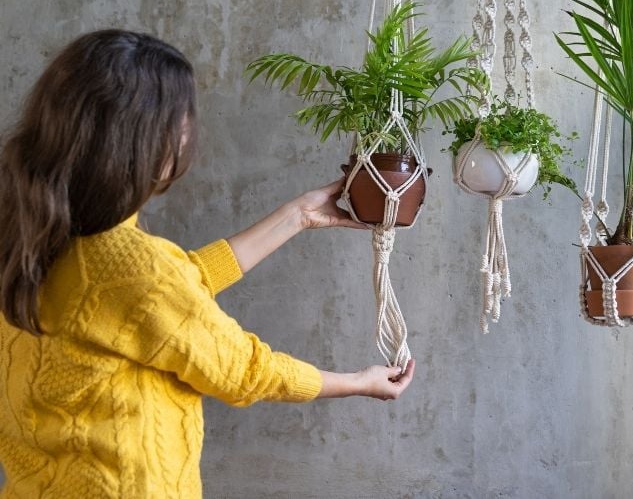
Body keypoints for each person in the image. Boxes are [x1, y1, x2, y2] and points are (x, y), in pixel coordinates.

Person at [0, 29, 415, 498]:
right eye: (181, 123)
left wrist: (297, 216)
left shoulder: (28, 239)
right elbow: (242, 367)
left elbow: (168, 292)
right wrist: (358, 382)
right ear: (142, 141)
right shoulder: (129, 267)